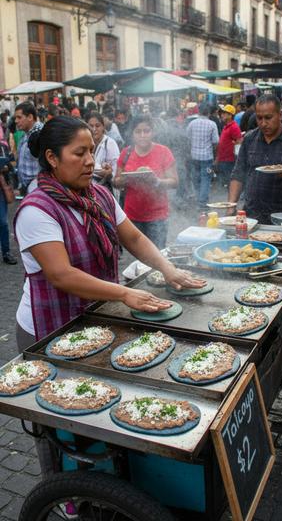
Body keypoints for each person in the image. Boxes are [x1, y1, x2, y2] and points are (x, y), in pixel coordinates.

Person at [14, 116, 203, 479]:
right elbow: (61, 274)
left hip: (96, 317)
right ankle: (61, 488)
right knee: (57, 417)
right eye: (79, 153)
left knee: (95, 406)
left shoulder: (98, 194)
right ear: (52, 158)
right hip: (49, 327)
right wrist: (125, 293)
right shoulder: (36, 209)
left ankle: (105, 483)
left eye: (93, 150)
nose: (90, 161)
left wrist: (167, 268)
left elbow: (132, 237)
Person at [227, 95, 282, 224]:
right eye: (259, 118)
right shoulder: (249, 139)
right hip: (251, 216)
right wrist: (231, 204)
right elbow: (238, 173)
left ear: (280, 114)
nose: (263, 123)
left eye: (268, 117)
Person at [113, 116, 178, 249]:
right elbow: (116, 181)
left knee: (158, 255)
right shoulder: (126, 153)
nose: (142, 135)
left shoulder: (163, 151)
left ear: (152, 132)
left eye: (146, 131)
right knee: (139, 258)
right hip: (132, 216)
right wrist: (127, 179)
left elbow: (174, 181)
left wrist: (157, 181)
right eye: (138, 131)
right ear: (133, 134)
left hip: (157, 216)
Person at [186, 103, 219, 207]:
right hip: (207, 157)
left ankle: (199, 196)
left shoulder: (192, 123)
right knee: (206, 178)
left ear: (198, 111)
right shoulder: (212, 124)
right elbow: (216, 141)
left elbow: (187, 138)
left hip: (194, 156)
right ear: (209, 112)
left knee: (196, 177)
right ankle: (202, 201)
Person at [14, 101, 44, 193]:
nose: (16, 121)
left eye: (19, 117)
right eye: (15, 118)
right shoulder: (26, 134)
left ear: (30, 117)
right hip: (29, 188)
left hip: (38, 189)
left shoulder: (40, 134)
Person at [86, 111, 119, 191]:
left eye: (97, 126)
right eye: (91, 126)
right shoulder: (85, 143)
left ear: (103, 127)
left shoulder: (110, 144)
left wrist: (109, 174)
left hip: (105, 191)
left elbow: (116, 172)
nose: (94, 129)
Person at [216, 104, 243, 189]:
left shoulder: (234, 127)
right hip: (224, 159)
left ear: (230, 115)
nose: (222, 115)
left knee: (230, 182)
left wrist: (232, 145)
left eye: (224, 113)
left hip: (229, 159)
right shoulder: (226, 126)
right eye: (222, 113)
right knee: (227, 182)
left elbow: (239, 142)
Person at [0, 137, 15, 264]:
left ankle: (6, 252)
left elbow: (11, 166)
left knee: (3, 223)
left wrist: (4, 167)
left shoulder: (2, 147)